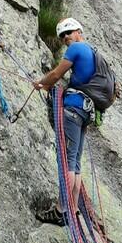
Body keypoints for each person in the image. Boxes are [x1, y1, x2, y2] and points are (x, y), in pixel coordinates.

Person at [33, 18, 96, 226]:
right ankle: (73, 209)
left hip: (73, 110)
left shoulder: (77, 49)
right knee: (76, 163)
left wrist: (41, 83)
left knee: (68, 161)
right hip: (87, 112)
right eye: (62, 35)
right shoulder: (94, 53)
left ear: (79, 31)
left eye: (69, 32)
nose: (66, 37)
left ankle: (61, 210)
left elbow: (56, 74)